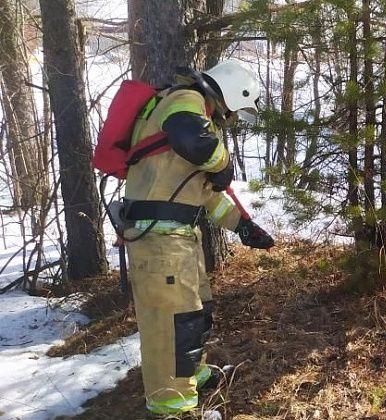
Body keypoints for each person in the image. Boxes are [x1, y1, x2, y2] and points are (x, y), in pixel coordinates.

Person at [123, 58, 275, 416]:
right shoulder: (185, 101)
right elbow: (193, 139)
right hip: (159, 240)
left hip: (178, 239)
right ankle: (171, 407)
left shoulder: (193, 120)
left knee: (195, 313)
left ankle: (193, 373)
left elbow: (205, 194)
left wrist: (243, 226)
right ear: (230, 95)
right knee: (171, 325)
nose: (232, 119)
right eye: (236, 111)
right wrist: (223, 164)